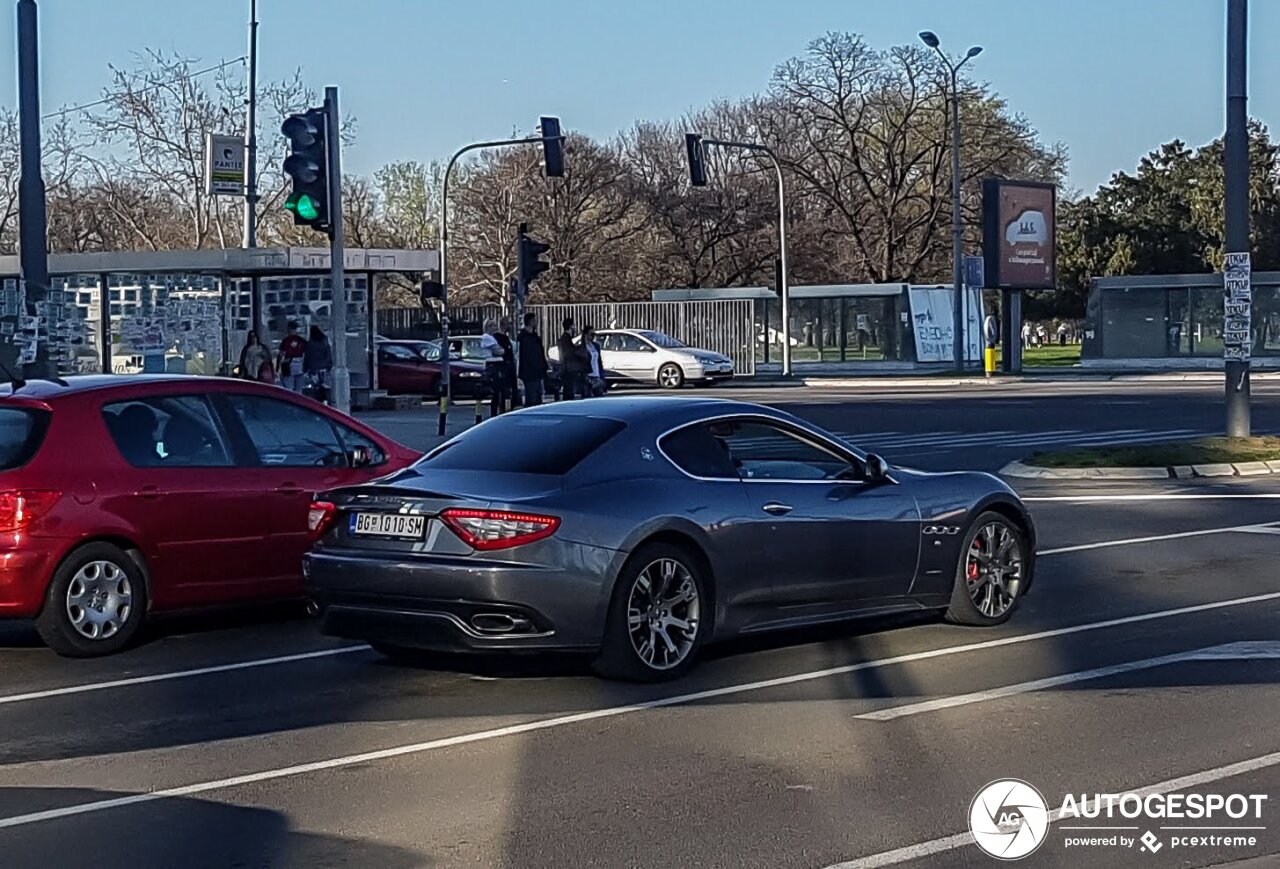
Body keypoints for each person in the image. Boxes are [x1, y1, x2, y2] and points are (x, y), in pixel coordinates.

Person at [517, 313, 549, 407]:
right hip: (530, 372)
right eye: (535, 320)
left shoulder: (534, 337)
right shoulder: (525, 338)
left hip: (537, 372)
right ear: (530, 322)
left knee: (538, 396)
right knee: (531, 397)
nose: (537, 323)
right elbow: (529, 356)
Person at [480, 318, 509, 416]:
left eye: (495, 325)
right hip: (493, 365)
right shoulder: (486, 337)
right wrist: (501, 350)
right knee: (496, 392)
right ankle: (494, 413)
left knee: (501, 391)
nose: (495, 328)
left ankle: (500, 410)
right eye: (492, 325)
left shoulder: (493, 338)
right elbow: (498, 351)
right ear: (487, 327)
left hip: (498, 364)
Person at [304, 325, 333, 404]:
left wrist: (305, 368)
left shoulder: (310, 343)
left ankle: (318, 402)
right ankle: (327, 401)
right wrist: (329, 365)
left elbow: (307, 357)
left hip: (314, 369)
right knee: (326, 386)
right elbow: (328, 354)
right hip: (324, 368)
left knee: (316, 387)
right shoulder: (325, 341)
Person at [277, 321, 307, 393]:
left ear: (289, 329)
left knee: (288, 389)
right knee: (298, 390)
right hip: (300, 365)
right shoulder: (301, 340)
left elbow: (281, 354)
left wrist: (277, 367)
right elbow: (306, 353)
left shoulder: (286, 340)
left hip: (288, 365)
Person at [557, 317, 583, 400]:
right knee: (569, 391)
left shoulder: (566, 338)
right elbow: (568, 353)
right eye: (573, 325)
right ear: (570, 326)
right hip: (568, 369)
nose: (575, 328)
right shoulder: (566, 338)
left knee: (569, 390)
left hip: (567, 368)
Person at [581, 325, 606, 397]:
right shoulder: (582, 347)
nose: (593, 336)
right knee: (587, 398)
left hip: (596, 375)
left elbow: (599, 361)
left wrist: (601, 375)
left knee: (599, 396)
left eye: (594, 334)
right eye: (591, 334)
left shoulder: (596, 346)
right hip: (588, 376)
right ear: (586, 335)